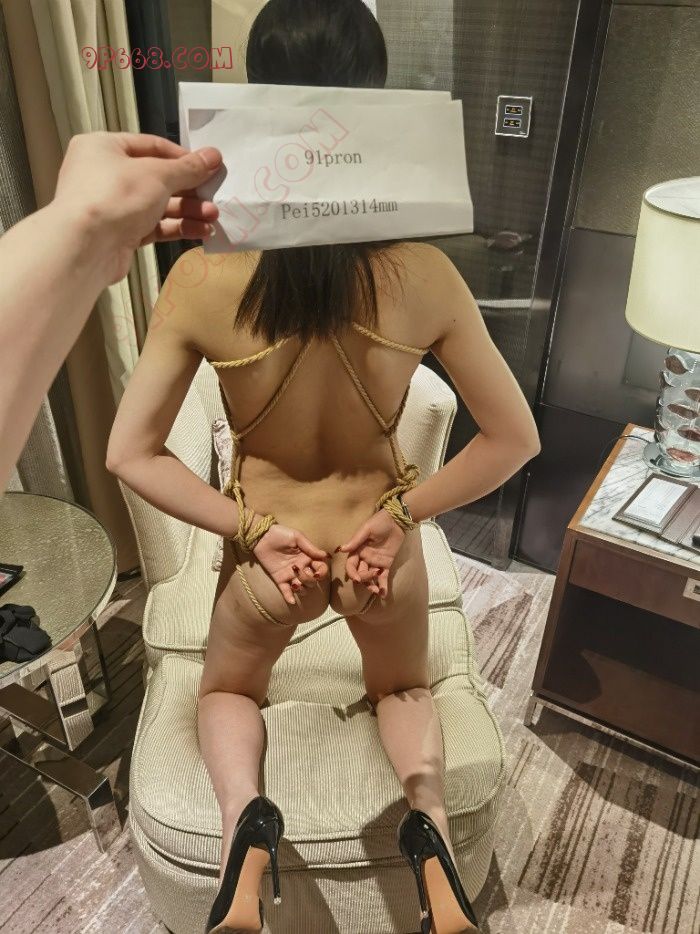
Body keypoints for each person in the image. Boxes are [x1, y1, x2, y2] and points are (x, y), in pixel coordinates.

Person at [106, 1, 540, 932]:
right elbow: (514, 440)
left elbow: (128, 453)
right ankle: (428, 831)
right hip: (379, 554)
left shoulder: (201, 278)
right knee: (404, 688)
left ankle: (246, 835)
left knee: (229, 688)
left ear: (255, 98)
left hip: (273, 559)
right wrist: (405, 515)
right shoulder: (425, 273)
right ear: (377, 103)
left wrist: (250, 530)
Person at [0, 132, 222, 494]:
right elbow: (129, 456)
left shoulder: (198, 276)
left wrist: (90, 232)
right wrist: (88, 228)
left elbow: (128, 456)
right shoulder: (199, 277)